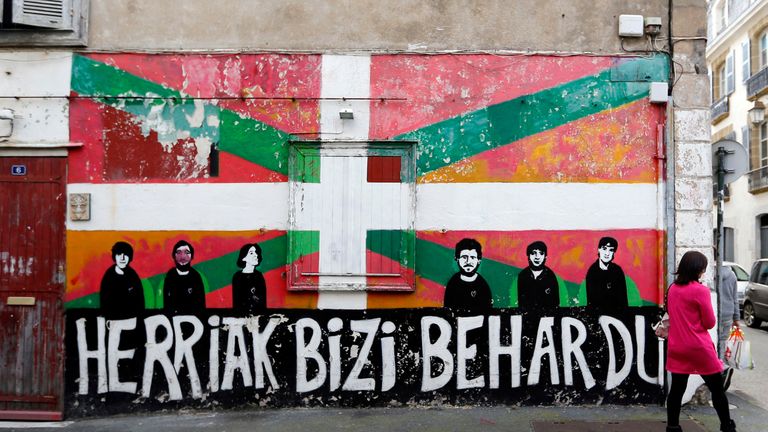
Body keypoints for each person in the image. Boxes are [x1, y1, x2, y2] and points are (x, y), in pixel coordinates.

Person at [665, 251, 736, 432]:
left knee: (676, 391)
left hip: (677, 347)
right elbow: (710, 322)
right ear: (697, 269)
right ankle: (726, 426)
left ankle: (673, 427)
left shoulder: (672, 289)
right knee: (717, 390)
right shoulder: (701, 291)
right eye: (703, 268)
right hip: (699, 348)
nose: (704, 272)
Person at [443, 238, 492, 310]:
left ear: (478, 260)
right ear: (457, 258)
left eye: (472, 257)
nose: (468, 261)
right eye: (464, 257)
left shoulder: (482, 285)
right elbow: (447, 309)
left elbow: (488, 311)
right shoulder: (453, 283)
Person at [100, 241, 144, 315]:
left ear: (130, 257)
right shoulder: (109, 276)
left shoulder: (133, 276)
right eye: (119, 254)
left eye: (125, 255)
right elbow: (104, 301)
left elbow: (140, 301)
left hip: (131, 319)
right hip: (112, 319)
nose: (122, 258)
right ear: (115, 257)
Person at [585, 236, 628, 312]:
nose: (607, 253)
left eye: (611, 250)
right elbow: (592, 302)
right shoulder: (593, 271)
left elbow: (623, 300)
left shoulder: (617, 271)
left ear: (614, 253)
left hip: (617, 315)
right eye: (604, 249)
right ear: (599, 250)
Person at [162, 240, 206, 314]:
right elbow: (167, 304)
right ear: (174, 256)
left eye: (187, 252)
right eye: (179, 252)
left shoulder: (195, 277)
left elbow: (201, 305)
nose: (183, 256)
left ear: (192, 256)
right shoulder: (170, 276)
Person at [515, 241, 560, 311]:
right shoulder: (523, 275)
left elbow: (555, 303)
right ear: (528, 256)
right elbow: (521, 303)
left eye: (541, 253)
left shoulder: (550, 276)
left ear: (545, 256)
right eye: (533, 253)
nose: (537, 257)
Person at [718, 263, 741, 391]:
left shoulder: (711, 274)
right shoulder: (731, 274)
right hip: (727, 314)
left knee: (711, 344)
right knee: (722, 344)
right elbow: (734, 298)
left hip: (713, 312)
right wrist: (736, 318)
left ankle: (718, 374)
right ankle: (724, 370)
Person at [232, 243, 267, 314]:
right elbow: (237, 301)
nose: (256, 255)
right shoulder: (237, 277)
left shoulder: (259, 275)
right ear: (243, 258)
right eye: (251, 253)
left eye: (256, 252)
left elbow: (262, 300)